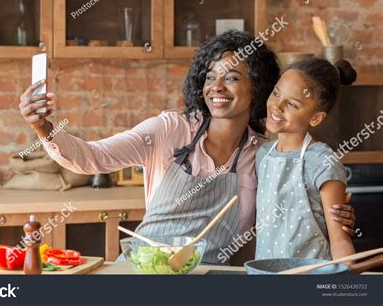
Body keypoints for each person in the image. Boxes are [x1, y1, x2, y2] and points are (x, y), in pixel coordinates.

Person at [19, 30, 355, 265]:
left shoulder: (264, 155)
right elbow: (90, 158)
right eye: (211, 77)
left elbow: (285, 211)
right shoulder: (169, 129)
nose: (217, 87)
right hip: (143, 271)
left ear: (260, 87)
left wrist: (329, 213)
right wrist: (42, 125)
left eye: (233, 78)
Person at [255, 57, 357, 261]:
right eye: (276, 93)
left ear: (316, 118)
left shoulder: (322, 161)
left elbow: (340, 240)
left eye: (292, 104)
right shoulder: (263, 154)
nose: (277, 106)